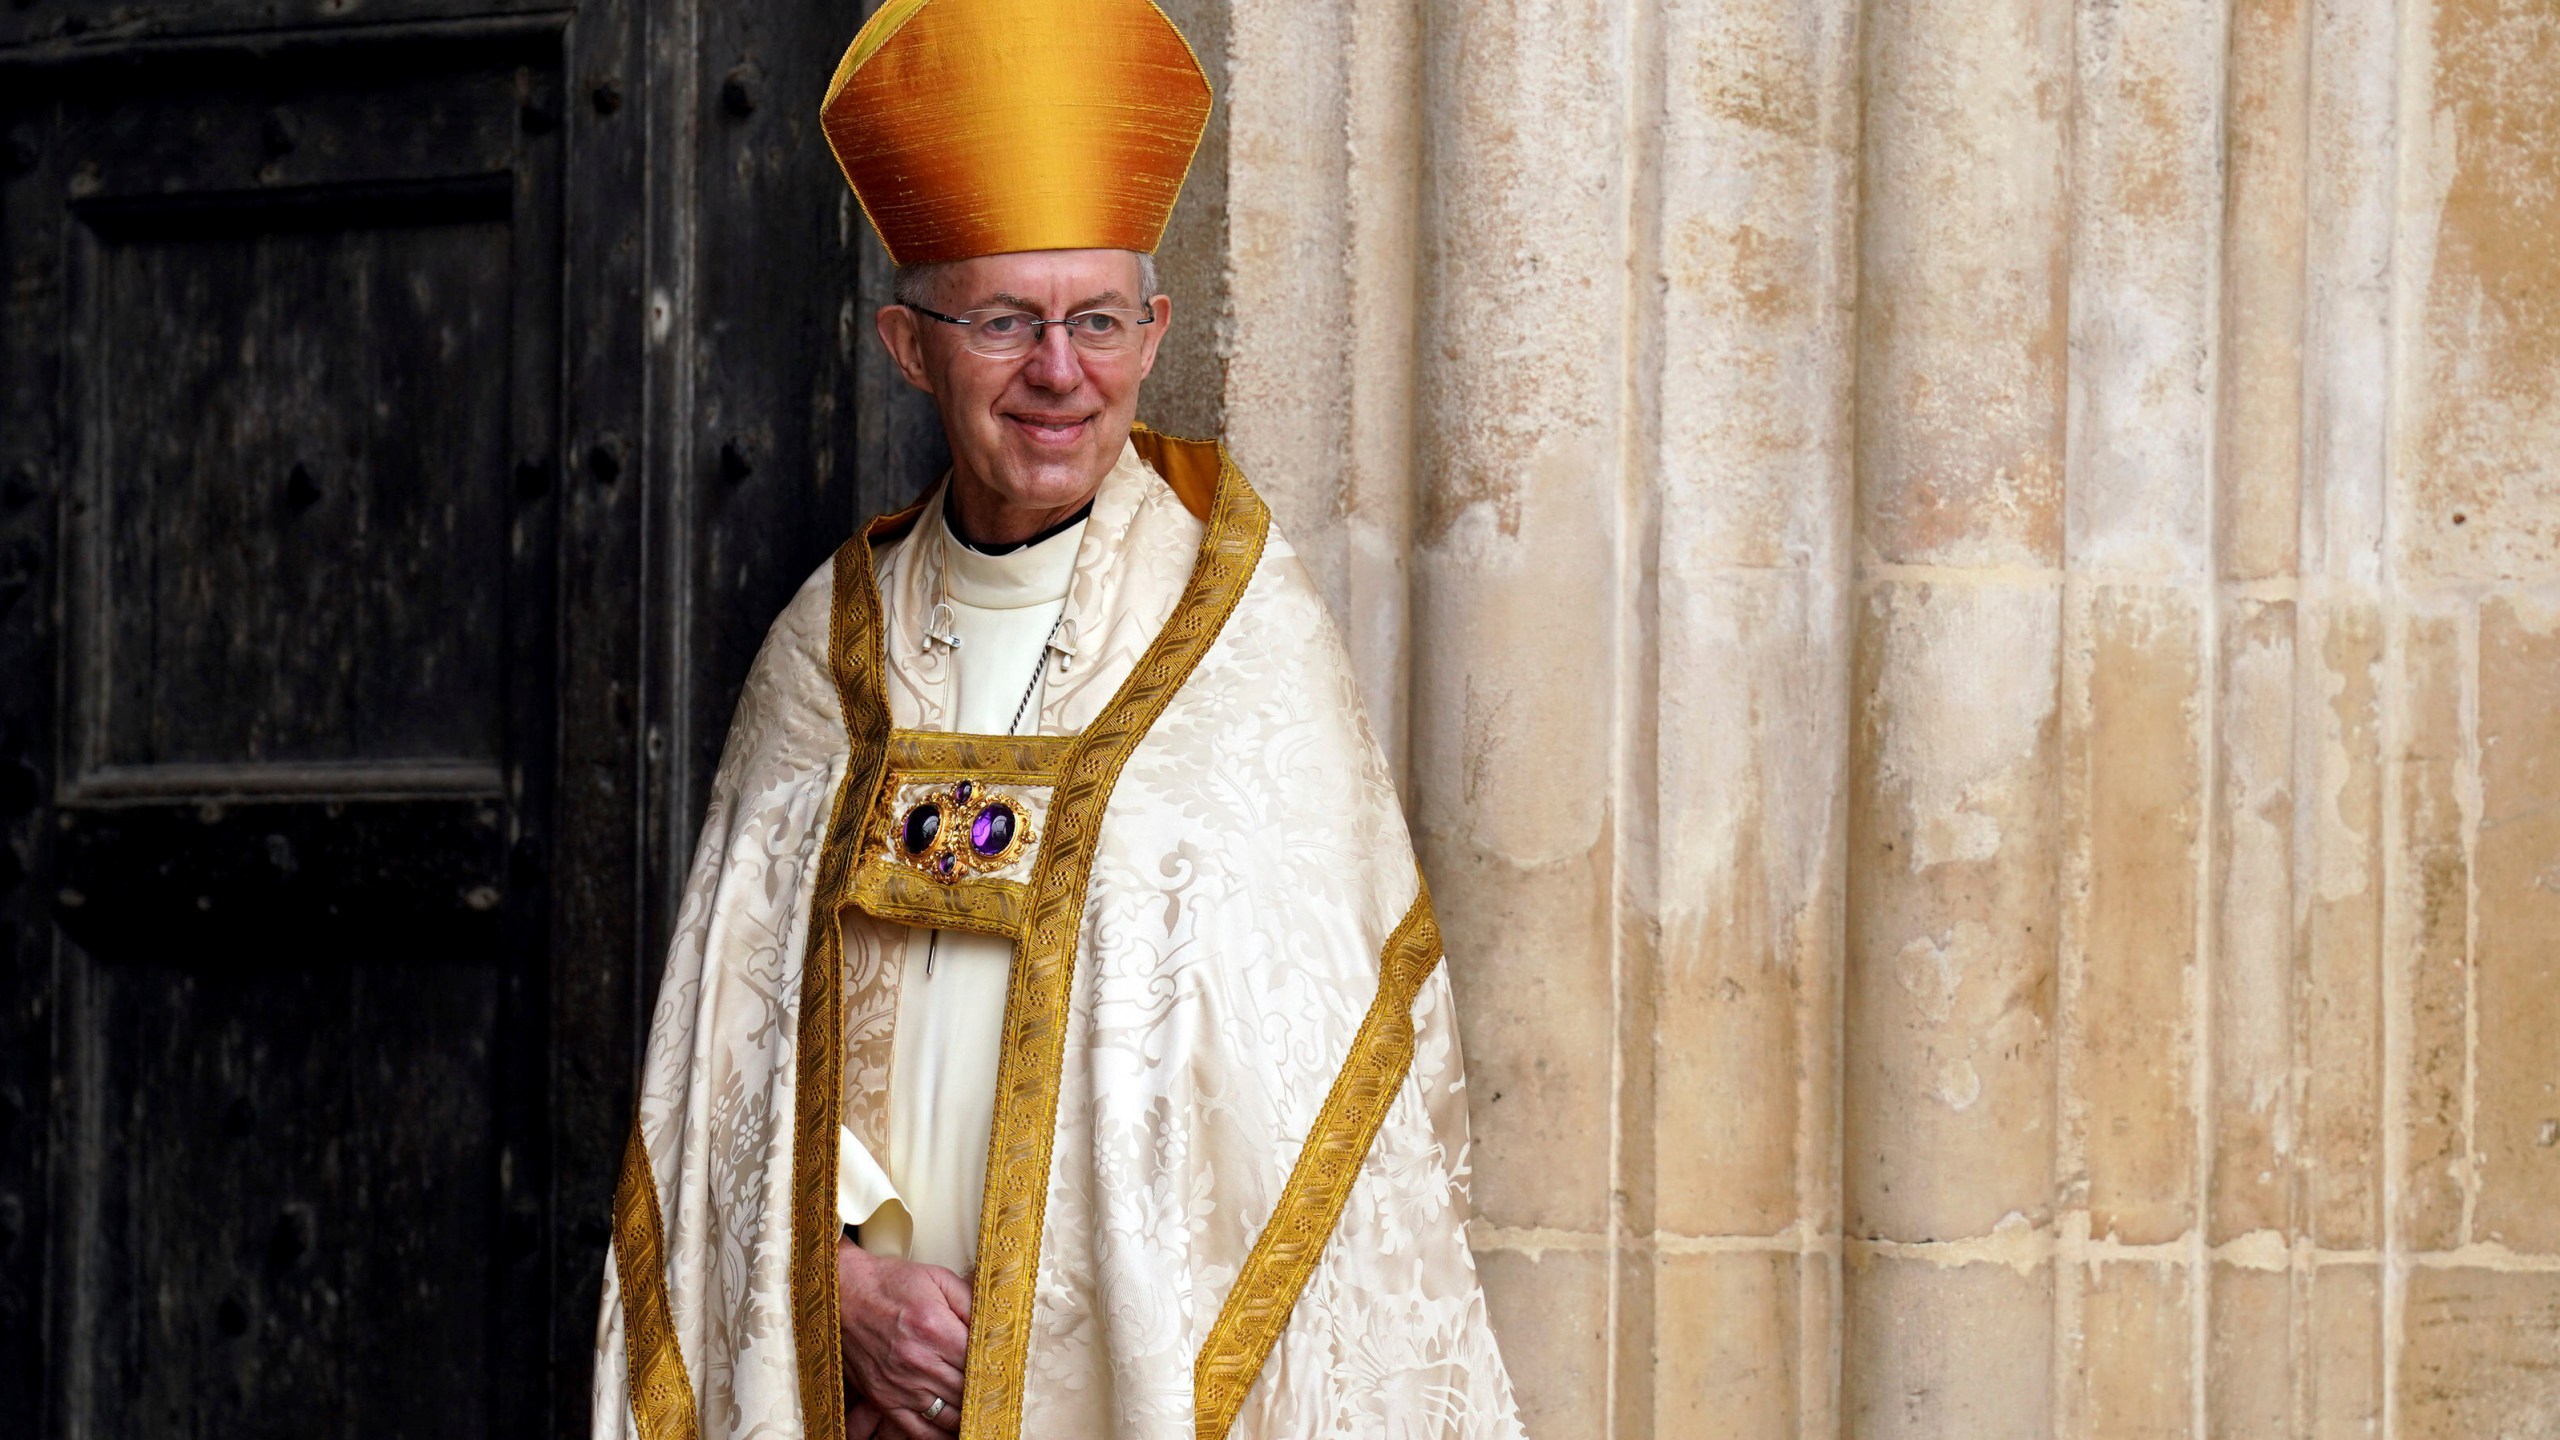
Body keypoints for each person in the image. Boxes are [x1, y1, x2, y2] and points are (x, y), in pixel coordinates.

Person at [589, 1, 1521, 1436]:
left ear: (1152, 336)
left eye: (1096, 321)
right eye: (1007, 323)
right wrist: (839, 1279)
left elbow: (1322, 1089)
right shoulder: (822, 659)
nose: (1059, 374)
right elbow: (735, 1051)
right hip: (867, 1394)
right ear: (910, 345)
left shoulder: (1240, 643)